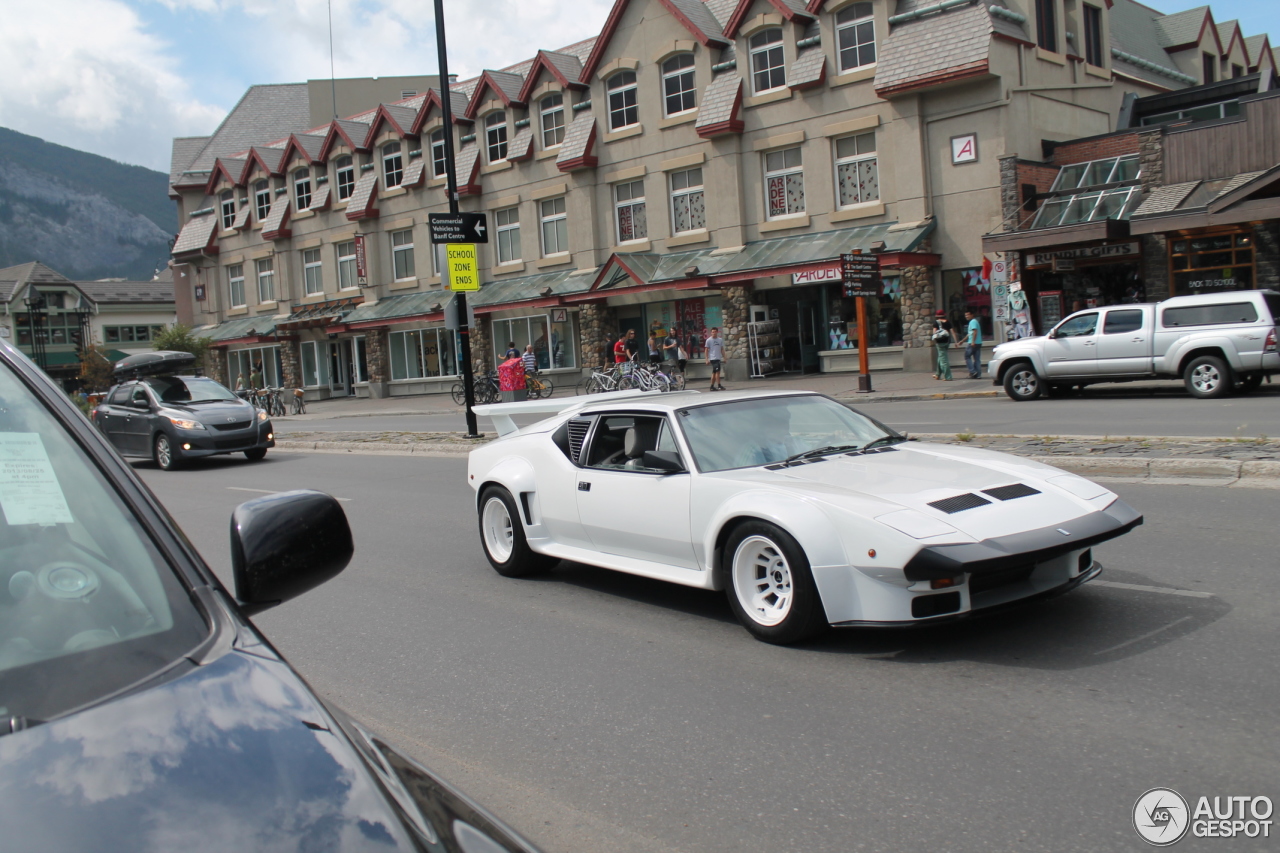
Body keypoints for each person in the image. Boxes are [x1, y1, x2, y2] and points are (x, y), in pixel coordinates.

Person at [931, 310, 954, 381]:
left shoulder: (936, 323)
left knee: (944, 360)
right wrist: (956, 342)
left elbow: (934, 333)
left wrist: (935, 339)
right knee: (941, 357)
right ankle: (938, 374)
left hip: (939, 343)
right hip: (947, 342)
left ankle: (948, 376)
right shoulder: (948, 322)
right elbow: (952, 332)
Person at [963, 308, 983, 379]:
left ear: (972, 315)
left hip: (973, 343)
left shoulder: (973, 322)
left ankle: (973, 371)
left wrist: (973, 341)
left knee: (967, 356)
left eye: (968, 315)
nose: (967, 316)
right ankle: (978, 374)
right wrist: (962, 341)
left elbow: (975, 332)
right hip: (978, 342)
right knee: (977, 359)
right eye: (965, 315)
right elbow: (969, 334)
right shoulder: (975, 321)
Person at [705, 327, 725, 391]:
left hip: (718, 358)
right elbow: (706, 350)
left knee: (714, 373)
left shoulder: (720, 340)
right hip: (713, 358)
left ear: (717, 332)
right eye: (712, 332)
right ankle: (719, 385)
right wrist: (706, 359)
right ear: (711, 333)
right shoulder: (708, 340)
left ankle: (712, 386)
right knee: (717, 372)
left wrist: (724, 357)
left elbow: (722, 349)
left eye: (715, 332)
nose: (713, 333)